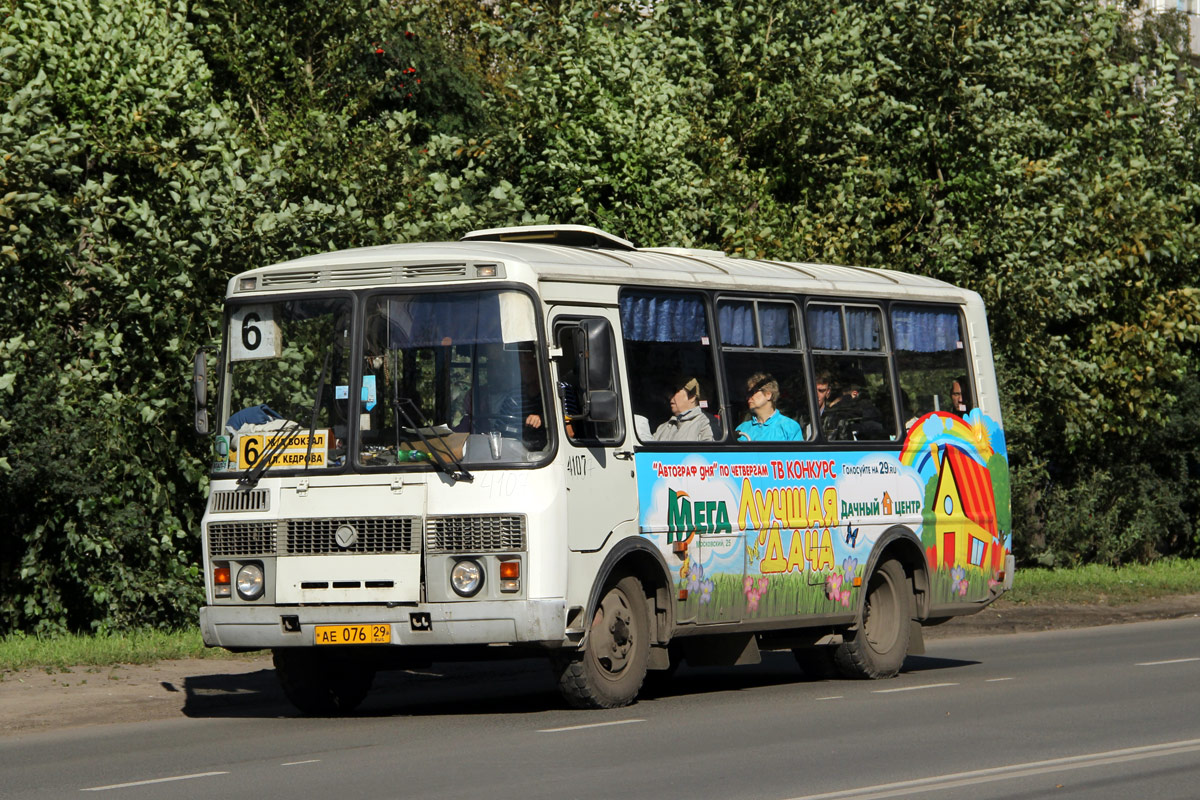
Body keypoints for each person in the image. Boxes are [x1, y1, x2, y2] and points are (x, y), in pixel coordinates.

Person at [736, 373, 803, 441]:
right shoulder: (742, 429)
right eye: (748, 393)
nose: (749, 397)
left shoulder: (789, 426)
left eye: (753, 392)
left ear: (768, 395)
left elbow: (799, 451)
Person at [653, 377, 715, 442]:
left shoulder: (708, 424)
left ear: (692, 397)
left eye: (675, 391)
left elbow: (710, 451)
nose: (669, 396)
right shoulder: (662, 428)